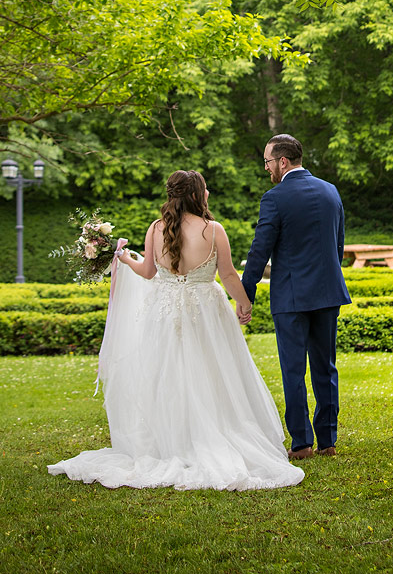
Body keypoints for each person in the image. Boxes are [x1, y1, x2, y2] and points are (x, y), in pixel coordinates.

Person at [48, 170, 303, 491]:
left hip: (164, 312)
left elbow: (147, 271)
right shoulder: (213, 230)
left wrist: (125, 260)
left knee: (167, 374)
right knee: (213, 372)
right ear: (198, 194)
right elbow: (227, 274)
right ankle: (209, 433)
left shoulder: (156, 229)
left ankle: (170, 439)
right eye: (205, 188)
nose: (208, 192)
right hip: (206, 312)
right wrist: (244, 304)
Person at [242, 134, 352, 459]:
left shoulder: (274, 198)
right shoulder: (330, 191)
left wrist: (245, 295)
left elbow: (259, 251)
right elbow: (338, 247)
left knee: (293, 370)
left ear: (283, 162)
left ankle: (302, 443)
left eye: (267, 162)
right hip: (328, 292)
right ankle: (328, 441)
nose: (266, 168)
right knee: (325, 367)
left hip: (291, 297)